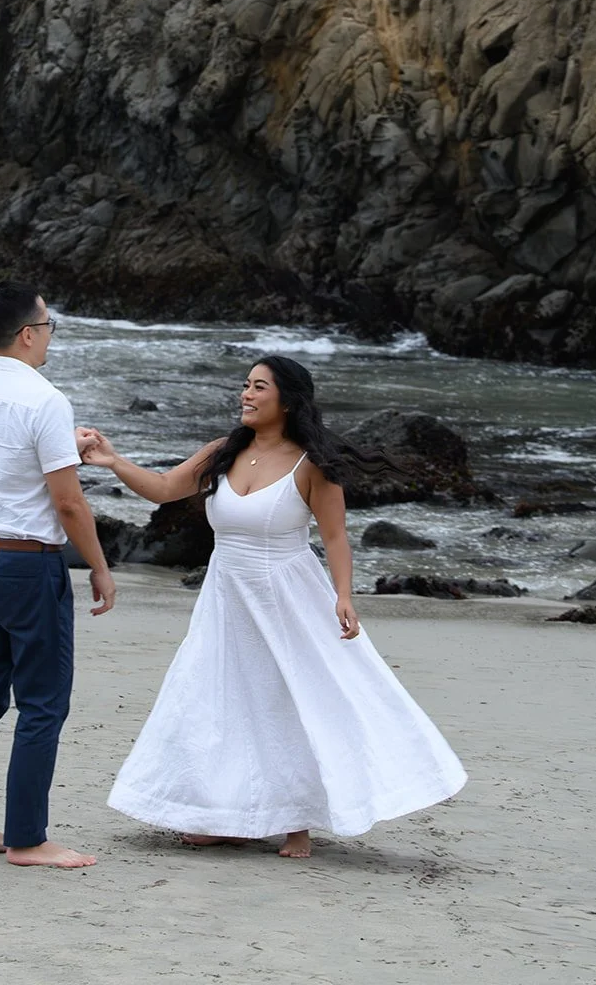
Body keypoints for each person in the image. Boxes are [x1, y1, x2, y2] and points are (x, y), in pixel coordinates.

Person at [79, 354, 466, 858]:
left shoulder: (311, 465)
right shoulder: (223, 451)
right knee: (218, 699)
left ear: (287, 399)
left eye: (259, 387)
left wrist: (344, 596)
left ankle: (297, 824)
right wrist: (113, 461)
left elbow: (334, 535)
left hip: (287, 595)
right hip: (226, 595)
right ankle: (225, 814)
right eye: (245, 385)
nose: (246, 394)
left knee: (288, 700)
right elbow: (165, 487)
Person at [0, 279, 116, 869]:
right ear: (27, 334)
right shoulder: (46, 399)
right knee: (43, 702)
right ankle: (27, 838)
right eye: (48, 327)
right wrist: (98, 566)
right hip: (27, 565)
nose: (50, 337)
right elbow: (68, 504)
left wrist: (58, 444)